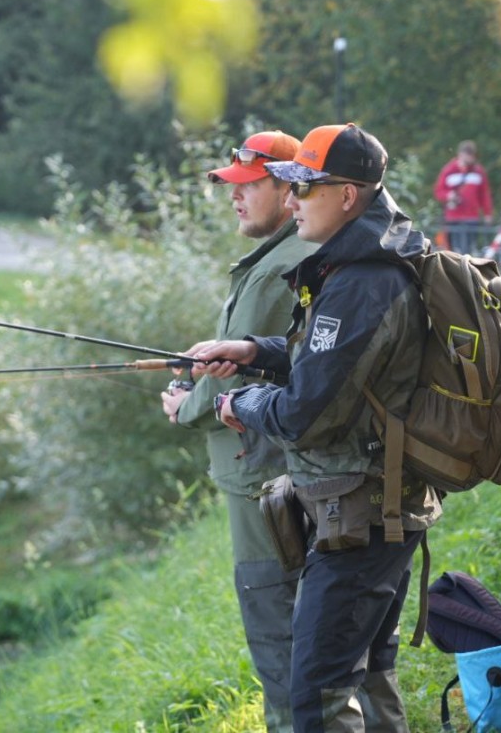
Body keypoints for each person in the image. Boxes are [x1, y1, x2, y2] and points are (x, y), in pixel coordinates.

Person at [196, 123, 443, 732]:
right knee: (365, 672)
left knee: (318, 698)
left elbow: (304, 413)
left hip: (359, 520)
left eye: (306, 189)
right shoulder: (375, 257)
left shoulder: (362, 281)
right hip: (383, 507)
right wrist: (259, 351)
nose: (294, 200)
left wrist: (240, 405)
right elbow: (341, 368)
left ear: (347, 196)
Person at [160, 129, 317, 733]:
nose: (235, 198)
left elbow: (236, 380)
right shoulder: (284, 255)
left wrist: (184, 406)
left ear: (288, 188)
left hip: (261, 474)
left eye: (249, 186)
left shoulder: (276, 265)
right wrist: (194, 382)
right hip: (273, 464)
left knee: (275, 623)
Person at [432, 139, 494, 254]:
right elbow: (438, 192)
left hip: (471, 218)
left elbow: (485, 195)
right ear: (460, 154)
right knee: (454, 250)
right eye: (468, 155)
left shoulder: (478, 172)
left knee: (468, 250)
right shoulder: (449, 170)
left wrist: (487, 213)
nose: (470, 159)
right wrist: (449, 195)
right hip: (453, 218)